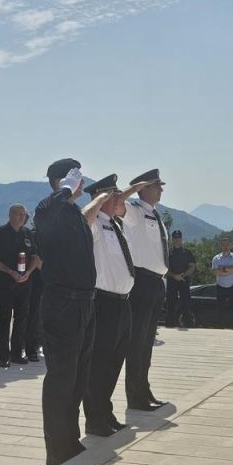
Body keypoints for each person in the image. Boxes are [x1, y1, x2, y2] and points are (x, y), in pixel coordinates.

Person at [34, 158, 107, 465]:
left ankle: (69, 438)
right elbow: (47, 211)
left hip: (83, 302)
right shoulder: (48, 209)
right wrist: (63, 190)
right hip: (62, 303)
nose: (80, 183)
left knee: (78, 374)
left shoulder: (71, 213)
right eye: (76, 178)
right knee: (62, 375)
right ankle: (56, 446)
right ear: (62, 181)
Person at [82, 175, 134, 437]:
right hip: (103, 302)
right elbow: (84, 217)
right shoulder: (94, 224)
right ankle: (94, 418)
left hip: (122, 303)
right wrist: (99, 197)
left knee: (114, 362)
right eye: (113, 196)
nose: (118, 200)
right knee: (99, 363)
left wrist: (113, 198)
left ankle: (105, 411)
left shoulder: (114, 224)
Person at [118, 169, 169, 411]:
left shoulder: (154, 214)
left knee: (147, 342)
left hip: (157, 283)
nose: (161, 189)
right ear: (144, 188)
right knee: (137, 342)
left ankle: (143, 388)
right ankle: (134, 396)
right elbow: (116, 204)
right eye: (157, 185)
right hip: (141, 282)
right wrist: (135, 187)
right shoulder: (134, 211)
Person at [0, 205, 39, 367]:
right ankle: (4, 355)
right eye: (18, 214)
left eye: (23, 214)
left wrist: (29, 272)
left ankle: (17, 353)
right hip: (6, 282)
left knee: (22, 319)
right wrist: (10, 272)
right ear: (10, 214)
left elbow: (34, 256)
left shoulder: (27, 233)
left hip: (24, 283)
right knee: (4, 319)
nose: (21, 217)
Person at [166, 230, 196, 327]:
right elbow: (164, 268)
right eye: (175, 238)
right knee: (170, 303)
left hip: (184, 280)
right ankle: (170, 325)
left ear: (181, 239)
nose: (176, 240)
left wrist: (183, 275)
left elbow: (192, 266)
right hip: (171, 280)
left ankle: (188, 324)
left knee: (186, 303)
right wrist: (174, 276)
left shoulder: (187, 252)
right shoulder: (168, 253)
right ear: (172, 239)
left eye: (178, 238)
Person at [212, 237, 233, 327]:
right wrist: (229, 270)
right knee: (220, 309)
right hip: (220, 286)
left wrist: (223, 269)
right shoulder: (216, 258)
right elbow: (214, 272)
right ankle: (220, 328)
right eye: (223, 244)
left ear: (230, 245)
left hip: (232, 286)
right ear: (220, 246)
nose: (225, 246)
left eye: (227, 244)